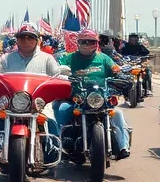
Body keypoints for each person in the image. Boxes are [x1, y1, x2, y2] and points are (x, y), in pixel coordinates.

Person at [0, 23, 66, 158]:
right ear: (17, 40)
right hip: (10, 103)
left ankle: (51, 155)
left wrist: (64, 79)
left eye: (30, 38)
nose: (25, 41)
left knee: (51, 124)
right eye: (22, 37)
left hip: (38, 104)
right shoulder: (7, 58)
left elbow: (57, 76)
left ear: (37, 40)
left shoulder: (47, 58)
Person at [55, 29, 131, 159]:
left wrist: (121, 75)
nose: (86, 44)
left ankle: (123, 146)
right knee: (62, 109)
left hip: (101, 97)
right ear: (78, 43)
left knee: (118, 114)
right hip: (78, 98)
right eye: (83, 42)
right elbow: (57, 68)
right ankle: (60, 145)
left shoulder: (104, 58)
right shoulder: (70, 58)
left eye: (91, 42)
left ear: (96, 43)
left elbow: (115, 69)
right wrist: (60, 73)